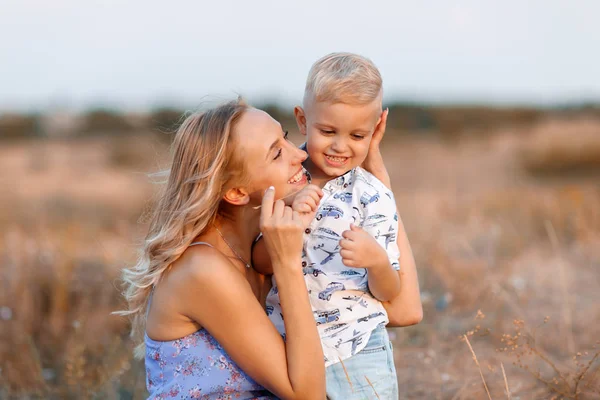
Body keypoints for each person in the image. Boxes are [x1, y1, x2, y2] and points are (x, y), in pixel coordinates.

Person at [118, 99, 326, 399]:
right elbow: (307, 395)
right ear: (236, 192)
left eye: (287, 137)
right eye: (277, 153)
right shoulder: (203, 268)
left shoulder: (261, 244)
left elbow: (400, 312)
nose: (300, 154)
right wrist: (288, 262)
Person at [253, 52, 423, 399]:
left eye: (358, 136)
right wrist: (290, 216)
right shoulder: (282, 182)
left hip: (359, 351)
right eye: (327, 131)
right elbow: (259, 262)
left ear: (376, 130)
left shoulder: (373, 196)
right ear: (302, 120)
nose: (340, 147)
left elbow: (391, 292)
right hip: (288, 346)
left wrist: (376, 260)